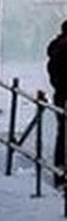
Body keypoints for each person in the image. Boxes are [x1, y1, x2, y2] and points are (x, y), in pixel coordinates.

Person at [47, 21, 67, 186]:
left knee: (62, 135)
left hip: (60, 95)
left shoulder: (56, 48)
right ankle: (60, 174)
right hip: (63, 94)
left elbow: (53, 73)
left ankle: (59, 173)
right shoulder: (61, 50)